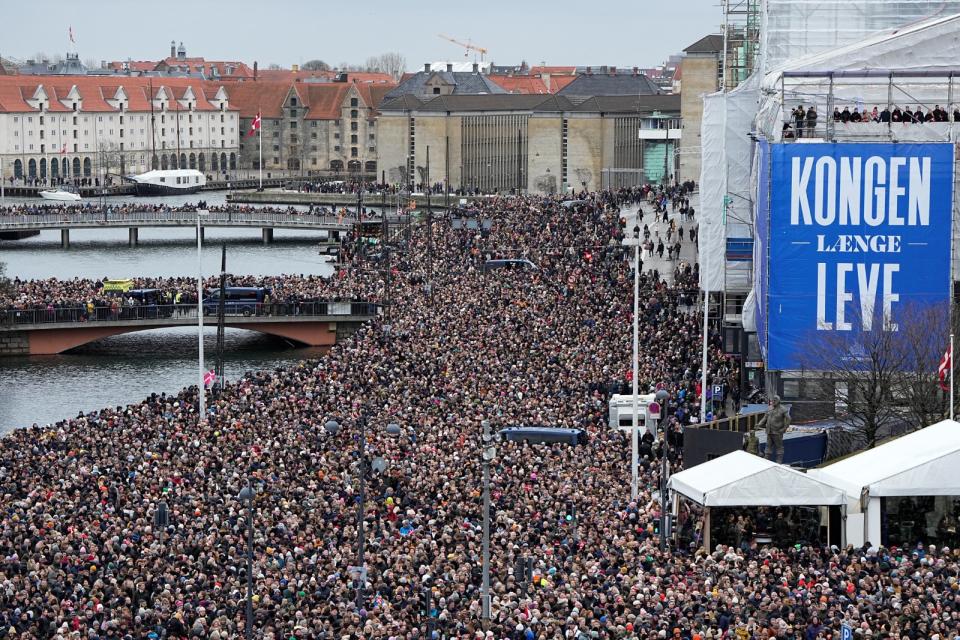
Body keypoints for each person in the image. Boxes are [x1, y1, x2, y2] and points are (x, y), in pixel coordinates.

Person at [756, 395, 790, 463]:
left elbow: (789, 419)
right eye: (773, 400)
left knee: (779, 447)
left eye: (775, 400)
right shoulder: (769, 408)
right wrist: (759, 424)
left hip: (777, 432)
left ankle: (779, 462)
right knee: (768, 446)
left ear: (779, 401)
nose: (773, 402)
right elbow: (764, 418)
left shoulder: (783, 409)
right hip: (769, 431)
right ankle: (766, 461)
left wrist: (784, 428)